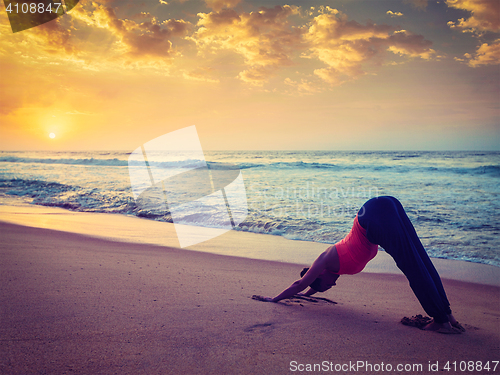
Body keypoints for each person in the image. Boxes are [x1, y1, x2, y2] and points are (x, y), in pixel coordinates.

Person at [258, 196, 464, 334]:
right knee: (420, 259)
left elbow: (300, 284)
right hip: (385, 207)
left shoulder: (325, 258)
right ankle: (448, 315)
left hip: (372, 214)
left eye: (327, 285)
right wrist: (305, 296)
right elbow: (307, 288)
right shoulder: (332, 270)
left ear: (321, 274)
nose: (333, 286)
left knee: (413, 266)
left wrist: (274, 298)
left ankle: (441, 321)